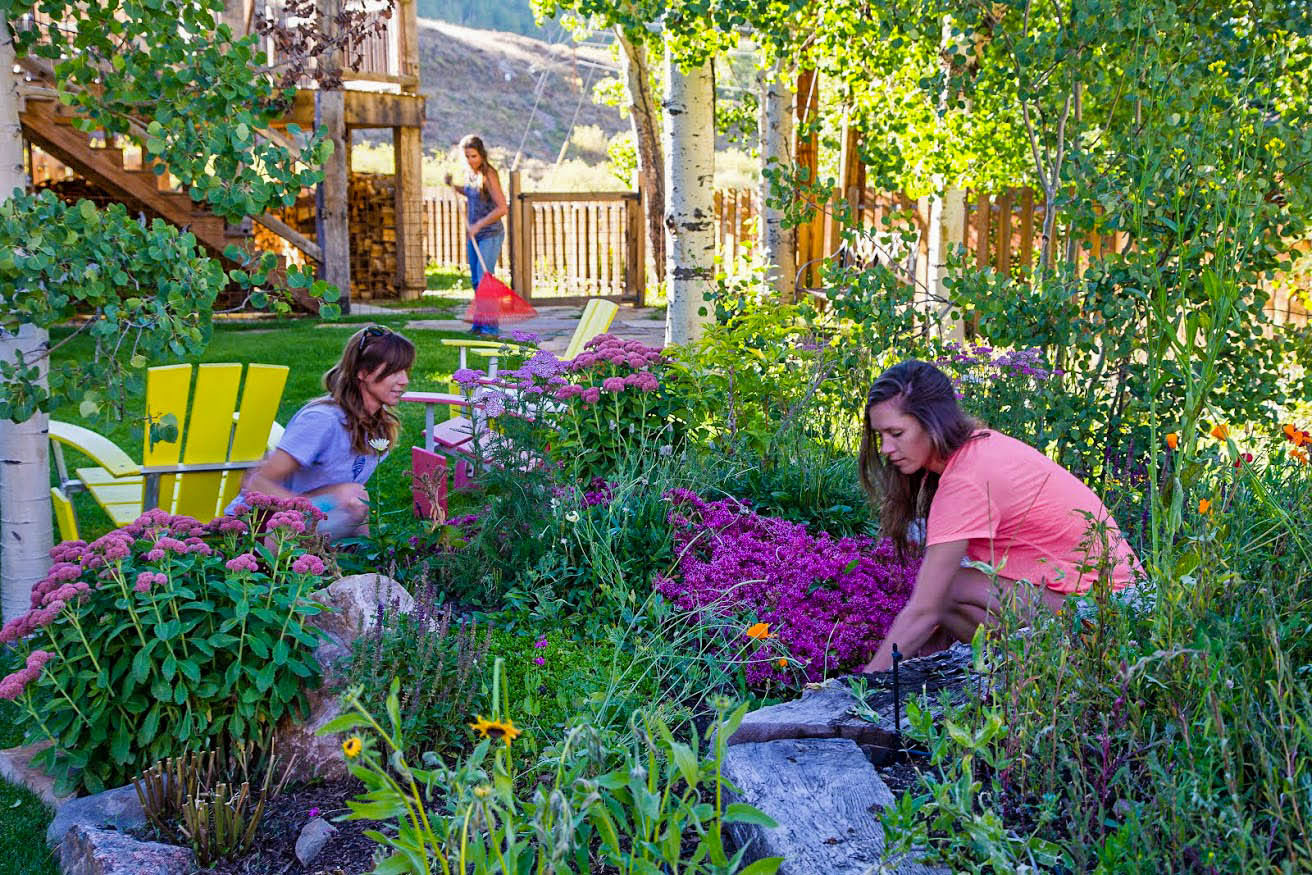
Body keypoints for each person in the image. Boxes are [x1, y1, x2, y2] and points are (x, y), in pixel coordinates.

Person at [859, 360, 1139, 672]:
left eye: (896, 433)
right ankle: (1008, 669)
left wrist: (865, 684)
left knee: (948, 586)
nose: (885, 448)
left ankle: (1037, 670)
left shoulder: (966, 479)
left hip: (1111, 617)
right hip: (1109, 607)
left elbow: (927, 608)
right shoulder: (980, 447)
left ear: (932, 422)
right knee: (949, 579)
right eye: (880, 435)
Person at [229, 325, 414, 540]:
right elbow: (255, 483)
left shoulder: (377, 425)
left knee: (356, 500)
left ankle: (365, 564)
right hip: (257, 527)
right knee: (352, 497)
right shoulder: (323, 421)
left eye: (405, 371)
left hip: (305, 521)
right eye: (393, 372)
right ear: (362, 373)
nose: (404, 381)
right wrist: (311, 511)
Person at [444, 134, 507, 335]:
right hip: (475, 235)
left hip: (489, 233)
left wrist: (479, 224)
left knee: (484, 280)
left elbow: (502, 208)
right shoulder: (471, 174)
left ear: (481, 155)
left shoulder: (489, 175)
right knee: (475, 281)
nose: (471, 160)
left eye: (474, 156)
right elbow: (473, 193)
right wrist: (454, 187)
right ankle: (480, 324)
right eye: (467, 156)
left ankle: (491, 327)